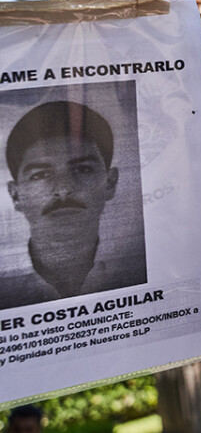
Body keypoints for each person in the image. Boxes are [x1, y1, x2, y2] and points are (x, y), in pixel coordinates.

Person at [0, 100, 146, 309]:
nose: (63, 189)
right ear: (16, 196)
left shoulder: (137, 268)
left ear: (110, 183)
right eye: (40, 175)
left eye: (83, 169)